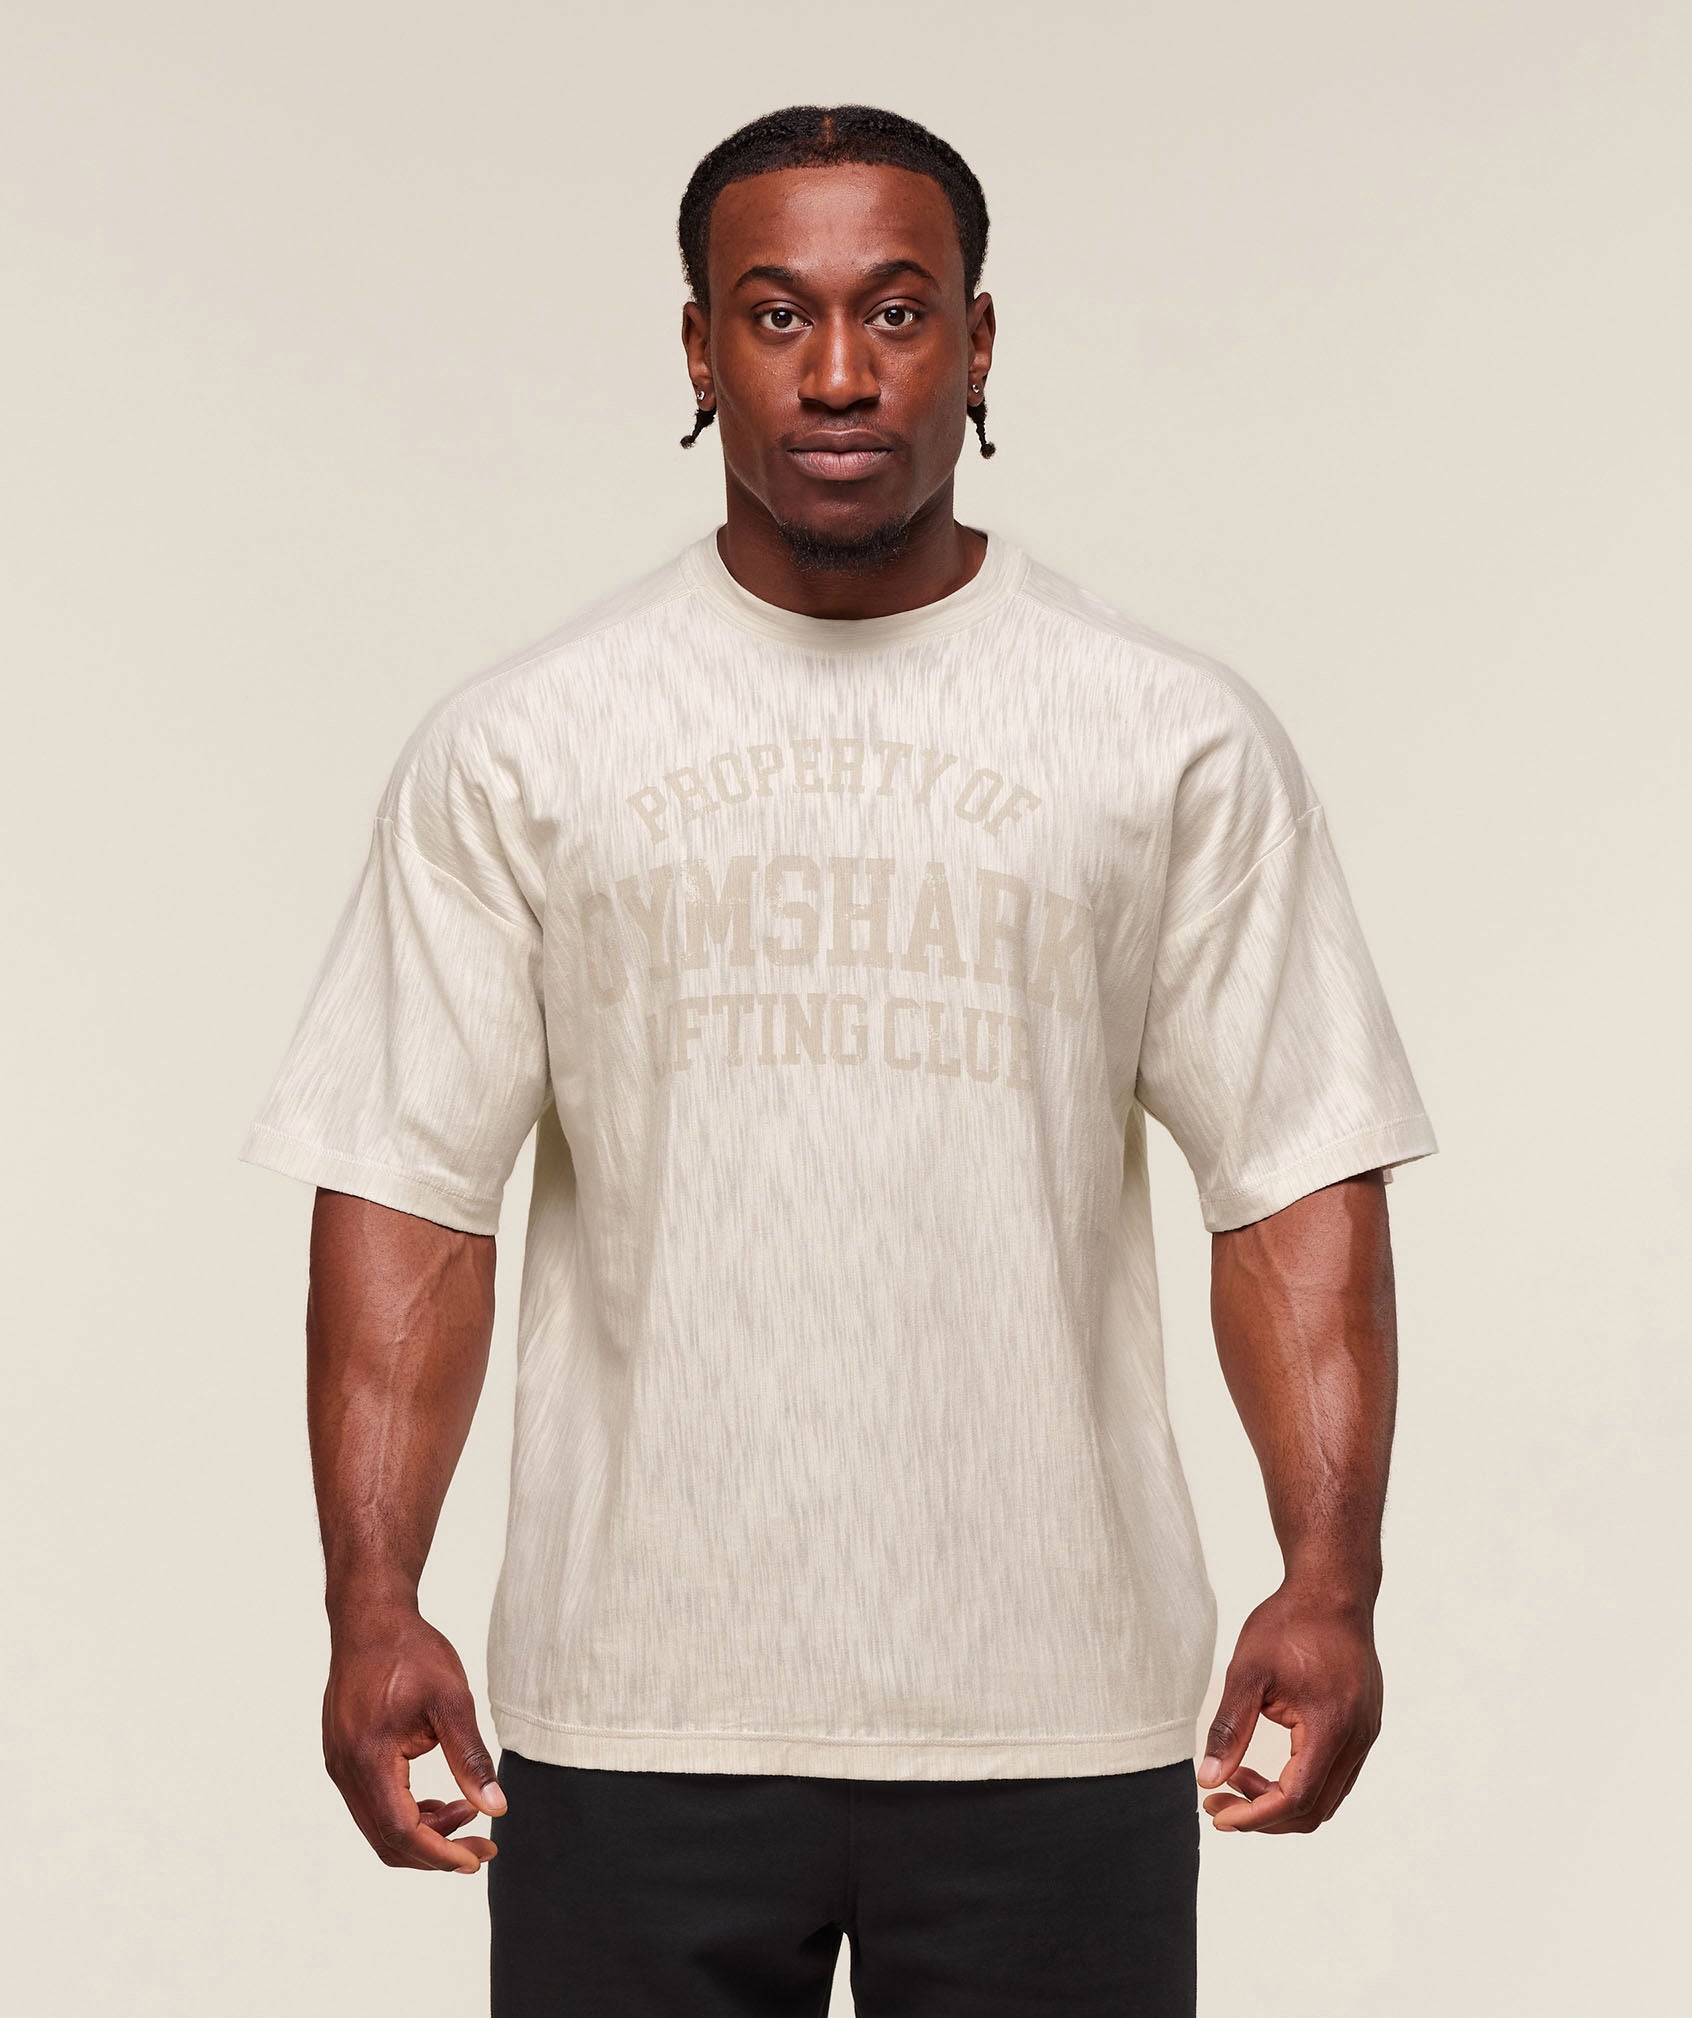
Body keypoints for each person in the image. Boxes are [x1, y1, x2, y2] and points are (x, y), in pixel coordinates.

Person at [240, 102, 1438, 2017]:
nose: (840, 372)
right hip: (635, 1714)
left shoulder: (1167, 738)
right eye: (777, 313)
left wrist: (1333, 1573)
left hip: (1057, 1710)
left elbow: (1293, 1175)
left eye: (895, 309)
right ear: (699, 350)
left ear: (979, 340)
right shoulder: (526, 744)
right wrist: (371, 1600)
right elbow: (410, 1194)